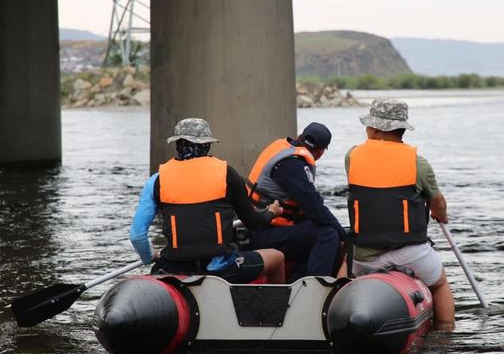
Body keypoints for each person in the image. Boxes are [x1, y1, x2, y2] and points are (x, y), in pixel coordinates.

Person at [129, 118, 285, 283]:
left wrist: (149, 258)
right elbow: (254, 222)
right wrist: (271, 213)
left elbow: (137, 236)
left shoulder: (156, 181)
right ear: (207, 145)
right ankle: (273, 308)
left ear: (177, 145)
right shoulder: (227, 174)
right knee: (277, 258)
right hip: (222, 270)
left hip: (174, 268)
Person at [345, 99, 455, 324]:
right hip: (411, 253)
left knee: (343, 263)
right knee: (440, 283)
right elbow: (437, 202)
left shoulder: (352, 157)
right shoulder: (419, 164)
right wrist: (440, 215)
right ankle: (445, 334)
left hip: (364, 257)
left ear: (375, 129)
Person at [245, 122, 346, 279]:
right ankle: (315, 289)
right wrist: (344, 236)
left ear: (300, 137)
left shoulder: (282, 149)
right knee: (328, 235)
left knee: (314, 226)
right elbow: (315, 208)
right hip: (261, 233)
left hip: (257, 227)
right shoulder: (292, 165)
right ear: (320, 153)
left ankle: (297, 279)